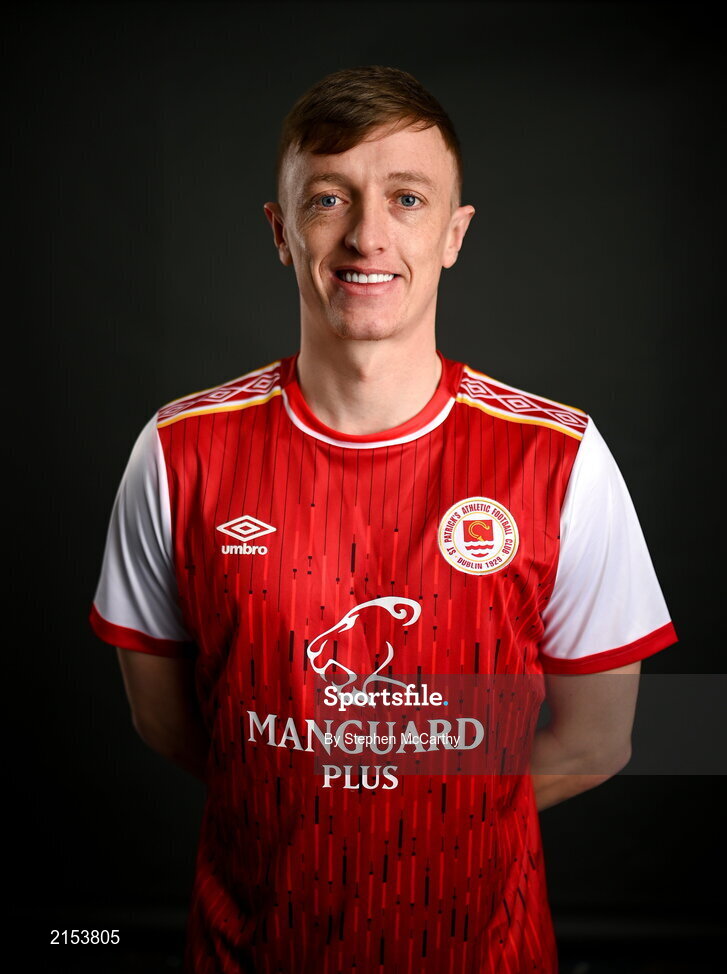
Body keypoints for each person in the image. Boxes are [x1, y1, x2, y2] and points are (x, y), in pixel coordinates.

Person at [90, 66, 677, 974]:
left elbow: (596, 741)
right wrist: (309, 786)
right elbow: (169, 723)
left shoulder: (560, 458)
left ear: (452, 234)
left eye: (405, 198)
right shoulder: (178, 452)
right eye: (329, 198)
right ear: (281, 233)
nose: (367, 234)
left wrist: (425, 806)